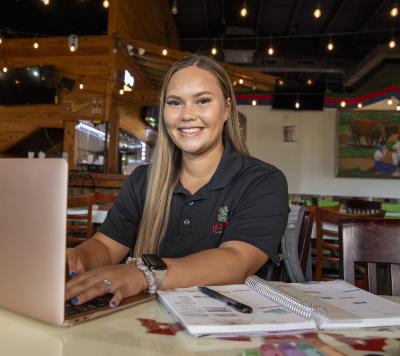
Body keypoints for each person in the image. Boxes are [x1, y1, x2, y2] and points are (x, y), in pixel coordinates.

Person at [65, 55, 289, 307]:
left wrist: (144, 274)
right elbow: (106, 246)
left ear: (227, 109)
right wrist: (77, 259)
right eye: (175, 103)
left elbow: (236, 261)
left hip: (226, 328)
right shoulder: (143, 180)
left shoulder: (262, 181)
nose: (187, 115)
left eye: (202, 101)